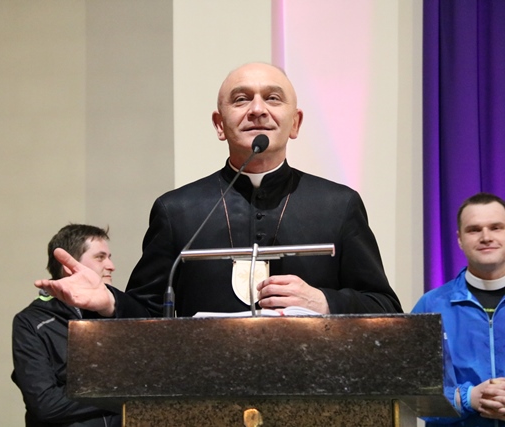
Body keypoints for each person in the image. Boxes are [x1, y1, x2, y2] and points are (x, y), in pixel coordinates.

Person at [35, 62, 402, 318]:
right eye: (241, 99)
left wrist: (324, 302)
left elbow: (385, 307)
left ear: (295, 123)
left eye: (273, 98)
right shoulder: (177, 210)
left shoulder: (338, 204)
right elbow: (148, 312)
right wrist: (109, 302)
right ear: (219, 125)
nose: (257, 110)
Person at [12, 224, 121, 427]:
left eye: (109, 257)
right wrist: (119, 393)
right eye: (100, 257)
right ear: (70, 266)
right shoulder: (31, 322)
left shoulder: (116, 312)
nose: (111, 265)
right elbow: (45, 404)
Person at [412, 192, 505, 426]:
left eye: (496, 228)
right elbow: (412, 391)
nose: (486, 237)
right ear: (460, 239)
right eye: (474, 230)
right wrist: (468, 398)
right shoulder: (430, 306)